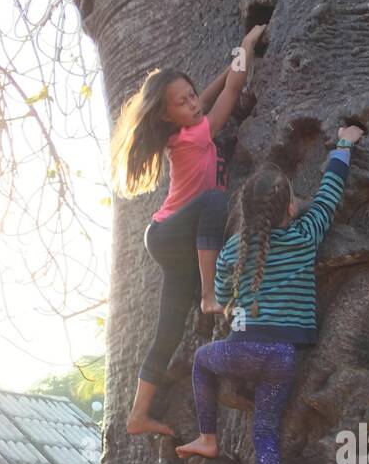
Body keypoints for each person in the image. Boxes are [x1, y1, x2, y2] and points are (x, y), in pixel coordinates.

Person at [176, 124, 365, 464]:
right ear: (291, 208)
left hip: (241, 348)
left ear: (245, 211)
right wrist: (345, 145)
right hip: (283, 355)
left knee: (203, 359)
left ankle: (208, 437)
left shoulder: (232, 251)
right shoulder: (304, 234)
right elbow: (331, 191)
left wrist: (222, 297)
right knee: (266, 432)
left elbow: (222, 298)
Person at [109, 24, 267, 436]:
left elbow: (213, 91)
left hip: (176, 244)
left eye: (193, 95)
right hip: (169, 233)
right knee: (214, 201)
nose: (194, 105)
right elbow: (230, 92)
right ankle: (209, 294)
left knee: (168, 330)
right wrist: (245, 46)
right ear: (167, 115)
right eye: (182, 103)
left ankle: (138, 413)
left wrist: (212, 80)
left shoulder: (187, 125)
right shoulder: (193, 137)